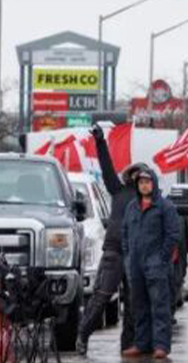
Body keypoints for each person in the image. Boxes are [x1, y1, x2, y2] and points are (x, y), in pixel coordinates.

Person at [76, 124, 141, 357]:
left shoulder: (151, 201)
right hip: (114, 252)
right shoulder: (118, 190)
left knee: (134, 304)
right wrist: (100, 142)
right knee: (101, 298)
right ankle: (82, 336)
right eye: (134, 174)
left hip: (136, 256)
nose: (137, 178)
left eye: (142, 175)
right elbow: (106, 167)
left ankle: (128, 345)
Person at [122, 164, 180, 360]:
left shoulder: (165, 206)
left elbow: (173, 235)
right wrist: (128, 256)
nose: (144, 186)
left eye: (147, 182)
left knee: (159, 306)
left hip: (156, 265)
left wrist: (162, 259)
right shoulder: (131, 207)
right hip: (136, 265)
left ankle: (161, 346)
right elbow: (124, 234)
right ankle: (142, 343)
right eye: (141, 182)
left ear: (153, 184)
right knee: (139, 306)